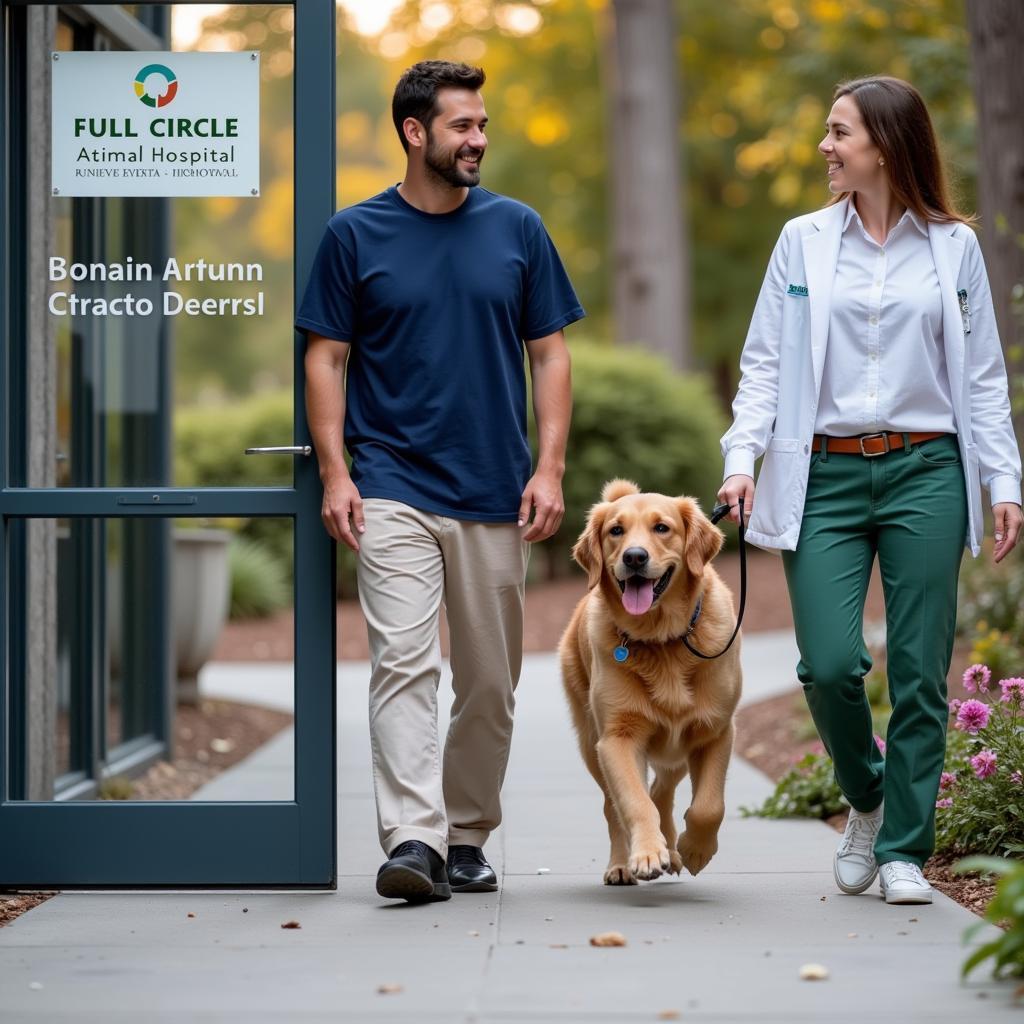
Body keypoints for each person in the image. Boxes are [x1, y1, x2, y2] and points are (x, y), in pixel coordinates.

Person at [718, 76, 1022, 905]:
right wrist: (741, 459)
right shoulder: (803, 242)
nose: (826, 146)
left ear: (884, 145)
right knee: (827, 664)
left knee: (921, 671)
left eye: (838, 132)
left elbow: (985, 377)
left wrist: (1004, 479)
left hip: (927, 468)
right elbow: (766, 366)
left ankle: (901, 852)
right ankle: (867, 794)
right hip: (825, 473)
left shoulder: (953, 249)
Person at [296, 61, 583, 903]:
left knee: (490, 683)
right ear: (416, 132)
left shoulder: (518, 229)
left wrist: (551, 465)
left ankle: (467, 833)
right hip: (389, 483)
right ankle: (414, 841)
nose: (479, 139)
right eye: (463, 126)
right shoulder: (354, 234)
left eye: (482, 124)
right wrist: (337, 473)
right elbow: (327, 356)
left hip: (494, 487)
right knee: (404, 664)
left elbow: (551, 353)